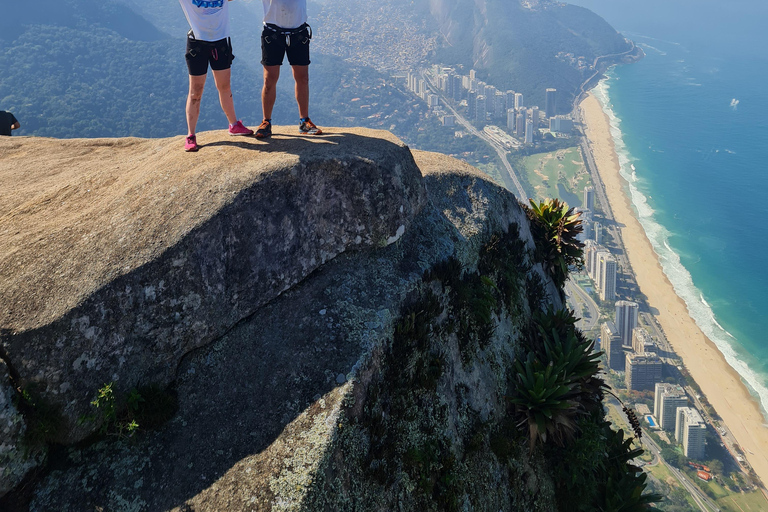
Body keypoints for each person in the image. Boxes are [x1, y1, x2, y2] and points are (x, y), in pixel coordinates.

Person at [179, 0, 253, 152]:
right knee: (195, 91)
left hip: (220, 43)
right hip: (197, 44)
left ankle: (233, 125)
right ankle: (191, 135)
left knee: (224, 86)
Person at [255, 0, 322, 139]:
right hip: (273, 32)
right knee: (269, 79)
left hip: (298, 31)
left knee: (302, 78)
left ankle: (304, 121)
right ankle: (266, 121)